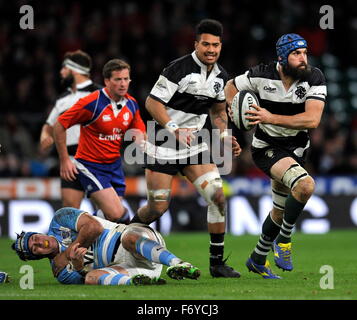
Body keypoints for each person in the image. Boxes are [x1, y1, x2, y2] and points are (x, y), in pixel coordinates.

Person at [129, 19, 242, 278]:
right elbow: (152, 102)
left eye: (215, 45)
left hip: (194, 146)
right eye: (206, 44)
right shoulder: (178, 69)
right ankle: (124, 234)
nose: (211, 49)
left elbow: (217, 110)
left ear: (220, 46)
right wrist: (173, 128)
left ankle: (216, 264)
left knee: (217, 197)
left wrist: (225, 137)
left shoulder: (220, 76)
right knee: (157, 208)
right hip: (162, 144)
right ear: (196, 44)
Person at [225, 33, 327, 278]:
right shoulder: (260, 74)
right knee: (305, 185)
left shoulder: (314, 77)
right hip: (267, 148)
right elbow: (231, 86)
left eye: (304, 52)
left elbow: (312, 119)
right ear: (282, 57)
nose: (303, 59)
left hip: (297, 149)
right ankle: (285, 240)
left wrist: (270, 117)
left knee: (279, 211)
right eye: (296, 54)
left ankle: (257, 259)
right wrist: (234, 110)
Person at [53, 59, 146, 223]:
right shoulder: (91, 103)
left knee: (113, 219)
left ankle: (82, 238)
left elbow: (138, 129)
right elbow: (59, 125)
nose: (123, 84)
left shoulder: (131, 104)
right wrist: (64, 159)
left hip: (115, 166)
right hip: (90, 165)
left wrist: (140, 139)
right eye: (118, 79)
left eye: (126, 79)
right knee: (118, 213)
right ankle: (77, 230)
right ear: (107, 81)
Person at [11, 207, 200, 285]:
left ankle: (179, 263)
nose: (39, 242)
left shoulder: (60, 219)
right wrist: (78, 266)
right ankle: (139, 282)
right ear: (37, 256)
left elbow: (94, 227)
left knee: (129, 238)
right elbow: (85, 278)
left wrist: (70, 251)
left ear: (38, 232)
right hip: (127, 268)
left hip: (136, 242)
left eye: (35, 237)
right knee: (92, 278)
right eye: (35, 248)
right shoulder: (60, 273)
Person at [39, 50, 102, 208]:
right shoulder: (62, 99)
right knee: (69, 211)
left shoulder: (100, 94)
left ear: (74, 70)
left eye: (64, 68)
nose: (61, 72)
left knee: (107, 212)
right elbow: (48, 125)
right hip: (69, 161)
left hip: (96, 159)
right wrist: (44, 135)